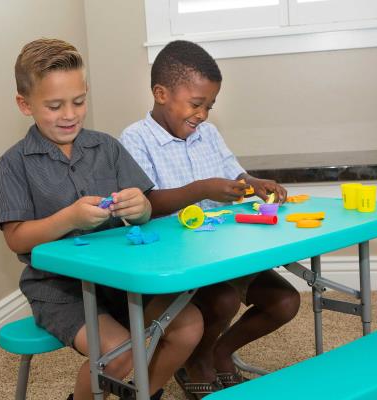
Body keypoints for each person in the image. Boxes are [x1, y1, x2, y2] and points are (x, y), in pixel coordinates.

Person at [0, 38, 205, 400]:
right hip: (59, 288)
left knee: (188, 326)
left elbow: (147, 207)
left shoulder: (107, 147)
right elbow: (16, 238)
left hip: (120, 275)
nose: (70, 114)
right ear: (24, 104)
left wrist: (141, 208)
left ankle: (142, 393)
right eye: (55, 105)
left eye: (78, 101)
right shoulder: (13, 165)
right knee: (119, 352)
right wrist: (69, 217)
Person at [120, 40, 301, 399]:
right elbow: (144, 205)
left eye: (209, 105)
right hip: (179, 260)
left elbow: (235, 175)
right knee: (222, 301)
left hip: (224, 252)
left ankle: (219, 350)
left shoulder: (208, 134)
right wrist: (201, 188)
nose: (203, 114)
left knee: (286, 301)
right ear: (160, 93)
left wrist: (254, 183)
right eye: (196, 104)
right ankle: (198, 361)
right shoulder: (134, 139)